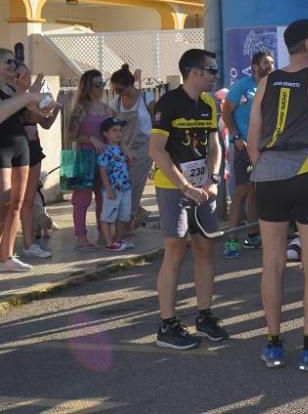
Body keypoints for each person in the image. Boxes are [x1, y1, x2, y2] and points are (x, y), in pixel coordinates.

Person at [246, 20, 308, 370]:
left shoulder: (266, 81)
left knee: (271, 261)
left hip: (269, 174)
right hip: (306, 172)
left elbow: (252, 137)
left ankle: (273, 344)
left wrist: (266, 164)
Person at [148, 49, 227, 350]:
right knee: (175, 251)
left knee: (205, 249)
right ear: (195, 72)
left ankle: (204, 316)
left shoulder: (208, 104)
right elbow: (156, 150)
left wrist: (214, 179)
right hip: (173, 187)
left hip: (202, 188)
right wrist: (184, 187)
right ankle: (167, 325)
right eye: (211, 71)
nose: (214, 76)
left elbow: (215, 145)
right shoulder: (168, 103)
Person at [221, 50, 274, 259]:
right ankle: (232, 239)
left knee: (255, 191)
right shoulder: (243, 86)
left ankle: (252, 235)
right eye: (264, 63)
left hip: (265, 148)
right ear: (254, 66)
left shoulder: (272, 86)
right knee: (242, 191)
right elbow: (226, 112)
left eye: (271, 62)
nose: (269, 66)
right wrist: (235, 136)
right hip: (245, 147)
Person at [0, 51, 49, 272]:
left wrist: (44, 102)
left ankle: (7, 257)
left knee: (15, 205)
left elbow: (40, 114)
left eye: (15, 61)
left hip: (20, 148)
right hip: (1, 150)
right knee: (2, 204)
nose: (13, 65)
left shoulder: (15, 91)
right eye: (7, 61)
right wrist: (27, 96)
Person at [12, 62, 59, 260]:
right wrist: (32, 94)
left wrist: (56, 106)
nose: (26, 78)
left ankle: (29, 245)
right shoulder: (10, 96)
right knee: (11, 201)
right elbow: (21, 118)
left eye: (27, 75)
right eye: (21, 75)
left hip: (33, 149)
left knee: (29, 200)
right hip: (14, 151)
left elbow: (45, 122)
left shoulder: (32, 95)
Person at [66, 69, 115, 250]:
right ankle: (81, 238)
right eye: (97, 84)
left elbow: (116, 133)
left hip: (105, 158)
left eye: (102, 83)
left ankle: (104, 234)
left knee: (104, 197)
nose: (101, 87)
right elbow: (71, 135)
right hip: (84, 158)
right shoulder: (80, 109)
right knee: (81, 200)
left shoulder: (107, 109)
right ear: (88, 86)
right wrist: (90, 139)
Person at [109, 65, 154, 234]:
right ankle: (138, 213)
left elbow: (158, 122)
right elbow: (111, 125)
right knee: (122, 186)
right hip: (124, 148)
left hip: (144, 148)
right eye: (114, 89)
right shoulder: (117, 102)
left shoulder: (146, 98)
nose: (117, 92)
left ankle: (126, 225)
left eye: (119, 89)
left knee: (135, 185)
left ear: (130, 84)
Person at [97, 117, 134, 251]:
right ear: (105, 134)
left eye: (120, 130)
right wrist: (108, 189)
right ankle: (108, 242)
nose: (119, 133)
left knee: (124, 215)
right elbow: (102, 171)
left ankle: (118, 240)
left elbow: (126, 166)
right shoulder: (105, 150)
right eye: (114, 130)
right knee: (108, 215)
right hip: (112, 189)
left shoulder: (121, 149)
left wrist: (129, 160)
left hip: (125, 187)